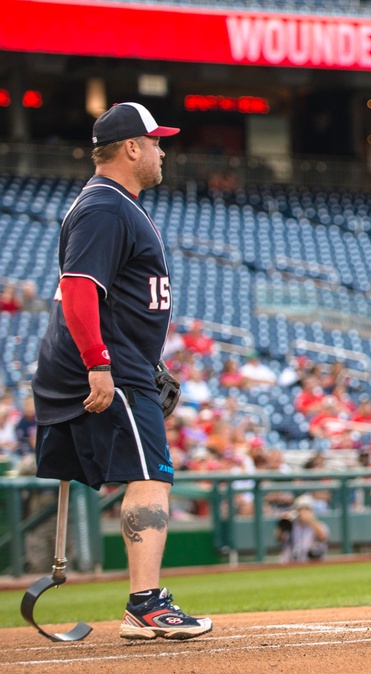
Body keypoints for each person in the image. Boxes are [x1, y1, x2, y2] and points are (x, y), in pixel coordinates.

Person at [29, 103, 212, 640]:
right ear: (131, 148)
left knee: (146, 471)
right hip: (107, 363)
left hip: (120, 359)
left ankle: (144, 601)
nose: (162, 150)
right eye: (155, 141)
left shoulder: (114, 205)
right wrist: (99, 364)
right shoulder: (105, 207)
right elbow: (81, 289)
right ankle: (146, 604)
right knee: (152, 475)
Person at [276, 493, 330, 562]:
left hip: (311, 562)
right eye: (300, 509)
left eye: (306, 509)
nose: (303, 512)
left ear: (312, 511)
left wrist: (311, 520)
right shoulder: (291, 524)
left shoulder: (318, 525)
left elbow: (322, 537)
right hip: (290, 562)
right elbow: (279, 538)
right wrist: (283, 522)